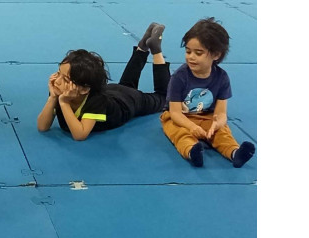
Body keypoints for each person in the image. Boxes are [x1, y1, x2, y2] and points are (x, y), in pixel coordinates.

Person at [37, 22, 171, 141]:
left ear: (84, 89)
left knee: (164, 98)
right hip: (113, 91)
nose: (57, 81)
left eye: (65, 79)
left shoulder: (95, 100)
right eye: (58, 73)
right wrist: (52, 98)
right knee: (126, 85)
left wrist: (64, 103)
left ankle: (156, 50)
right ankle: (142, 48)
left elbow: (80, 134)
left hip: (128, 102)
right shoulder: (61, 90)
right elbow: (42, 126)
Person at [160, 17, 255, 167]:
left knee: (222, 133)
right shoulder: (179, 77)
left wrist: (217, 123)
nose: (191, 57)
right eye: (188, 51)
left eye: (198, 53)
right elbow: (175, 112)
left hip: (206, 117)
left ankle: (234, 153)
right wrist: (191, 127)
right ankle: (192, 152)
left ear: (216, 55)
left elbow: (221, 113)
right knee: (180, 134)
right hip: (178, 118)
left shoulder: (222, 78)